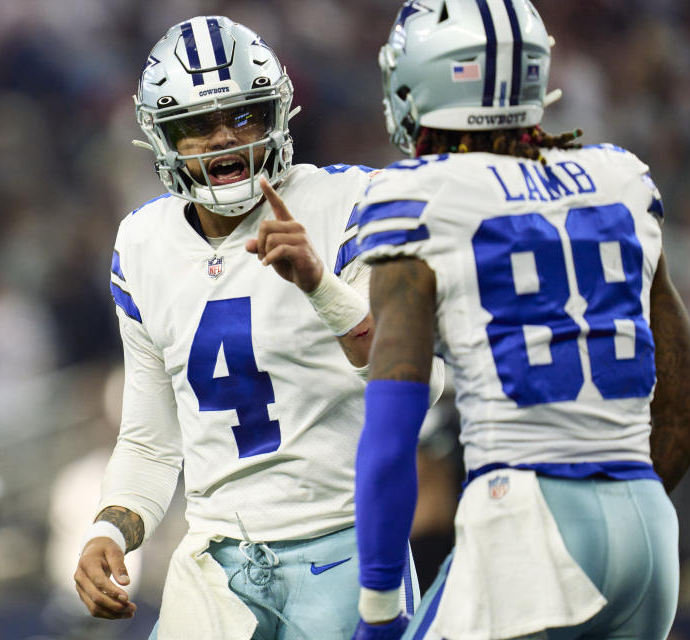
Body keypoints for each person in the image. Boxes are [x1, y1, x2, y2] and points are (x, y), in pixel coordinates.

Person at [74, 15, 444, 640]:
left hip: (346, 540)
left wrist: (320, 285)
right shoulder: (142, 241)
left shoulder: (353, 203)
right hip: (217, 556)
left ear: (277, 114)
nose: (224, 139)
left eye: (243, 116)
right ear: (161, 137)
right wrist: (109, 529)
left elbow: (417, 383)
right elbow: (150, 440)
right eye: (197, 125)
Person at [351, 1, 690, 639]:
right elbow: (688, 418)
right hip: (650, 535)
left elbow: (388, 438)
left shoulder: (417, 197)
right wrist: (614, 508)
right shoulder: (620, 179)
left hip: (525, 520)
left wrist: (379, 609)